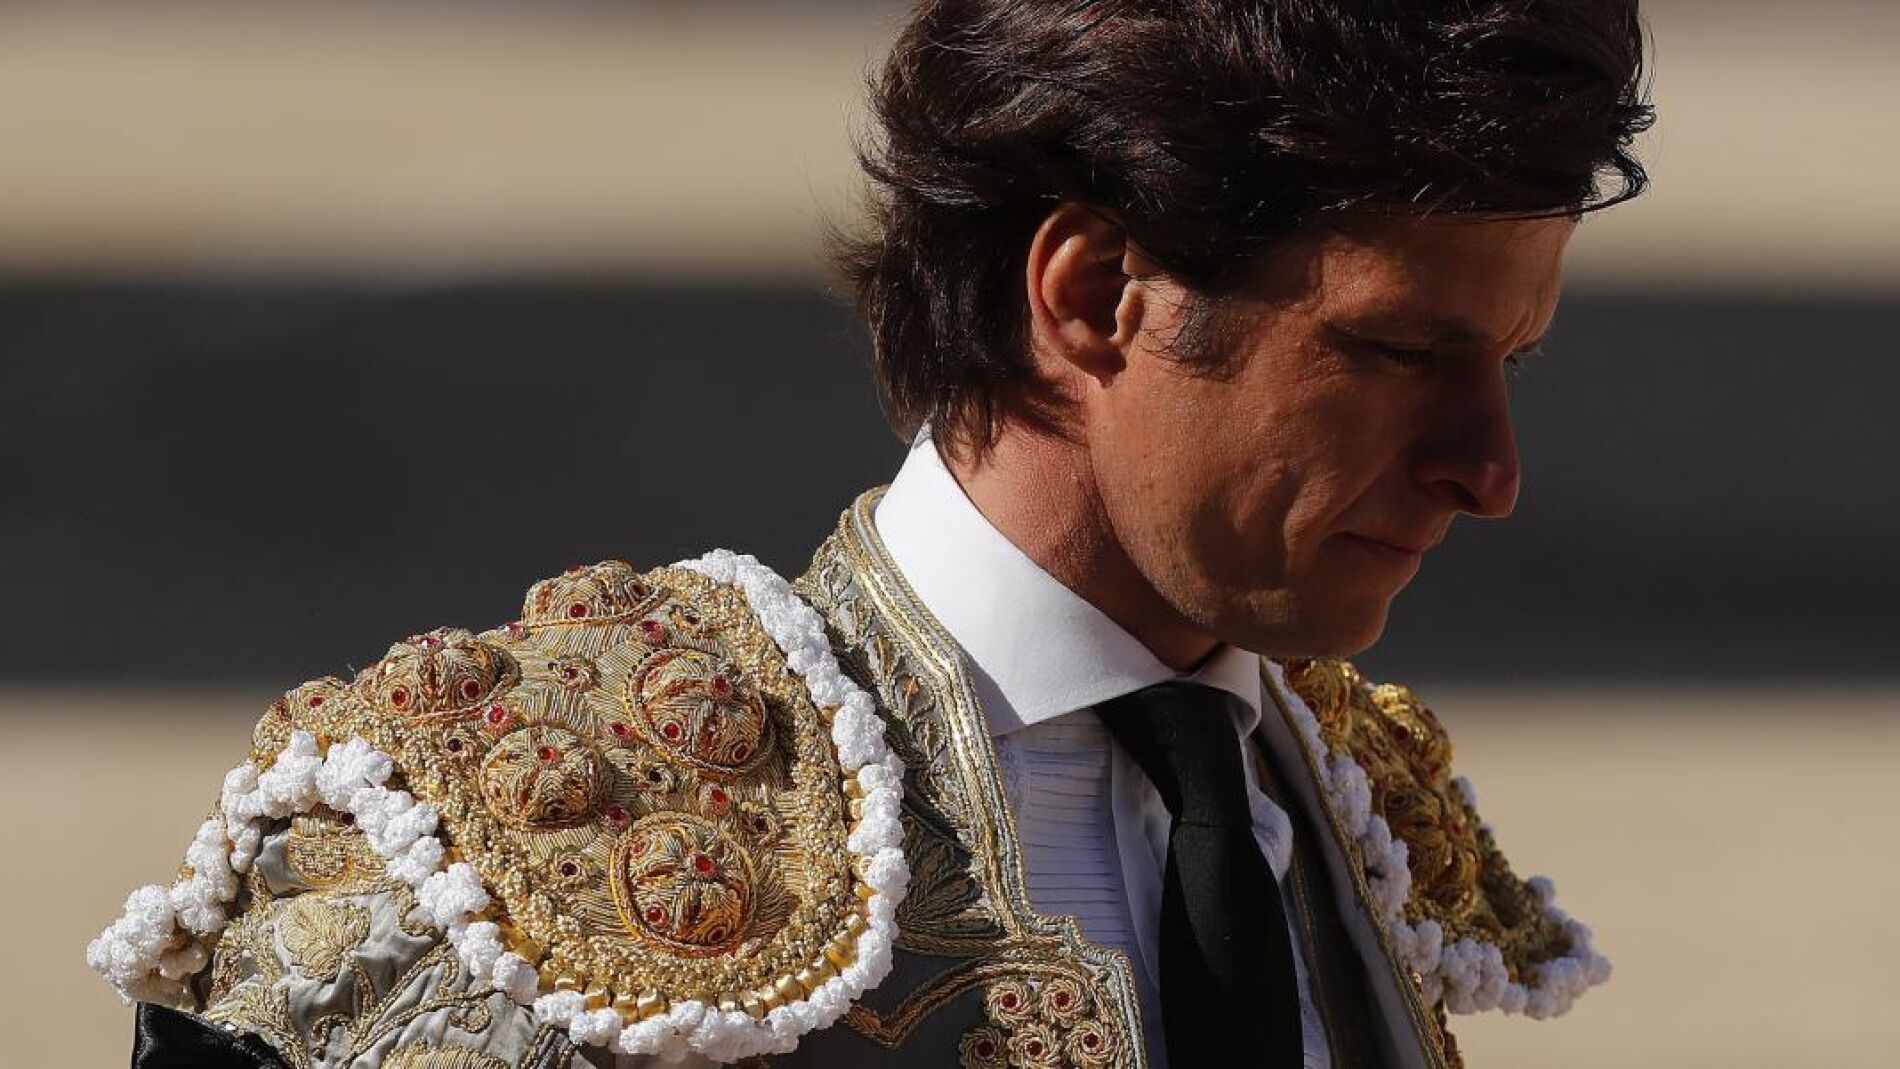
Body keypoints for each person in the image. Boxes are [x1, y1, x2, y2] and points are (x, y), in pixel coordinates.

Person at [89, 1, 1653, 1066]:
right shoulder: (516, 848)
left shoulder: (1351, 808)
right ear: (1093, 295)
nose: (1489, 469)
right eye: (1399, 351)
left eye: (1511, 364)